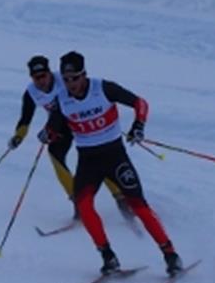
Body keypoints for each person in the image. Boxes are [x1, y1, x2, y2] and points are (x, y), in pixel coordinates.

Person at [43, 51, 184, 276]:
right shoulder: (62, 100)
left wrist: (138, 125)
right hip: (88, 160)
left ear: (84, 75)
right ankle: (108, 256)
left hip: (115, 156)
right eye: (67, 79)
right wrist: (48, 134)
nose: (71, 84)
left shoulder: (103, 88)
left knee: (139, 206)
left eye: (75, 78)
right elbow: (54, 127)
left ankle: (171, 255)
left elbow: (140, 103)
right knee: (84, 205)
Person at [8, 55, 132, 221]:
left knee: (97, 158)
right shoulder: (31, 93)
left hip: (81, 122)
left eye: (43, 75)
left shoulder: (65, 79)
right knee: (55, 154)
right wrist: (18, 137)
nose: (41, 81)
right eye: (36, 78)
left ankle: (121, 197)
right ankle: (78, 202)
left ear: (50, 73)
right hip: (60, 127)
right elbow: (25, 119)